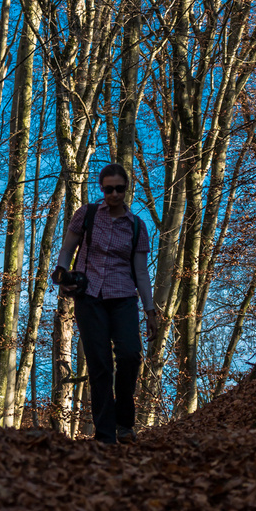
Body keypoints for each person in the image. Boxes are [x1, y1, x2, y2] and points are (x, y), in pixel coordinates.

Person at [52, 163, 157, 445]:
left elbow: (142, 272)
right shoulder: (86, 215)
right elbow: (67, 248)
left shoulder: (136, 227)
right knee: (100, 364)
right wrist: (63, 275)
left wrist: (150, 310)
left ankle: (125, 423)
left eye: (119, 188)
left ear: (126, 189)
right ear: (102, 189)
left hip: (123, 296)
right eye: (108, 188)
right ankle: (105, 435)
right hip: (90, 297)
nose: (113, 193)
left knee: (130, 356)